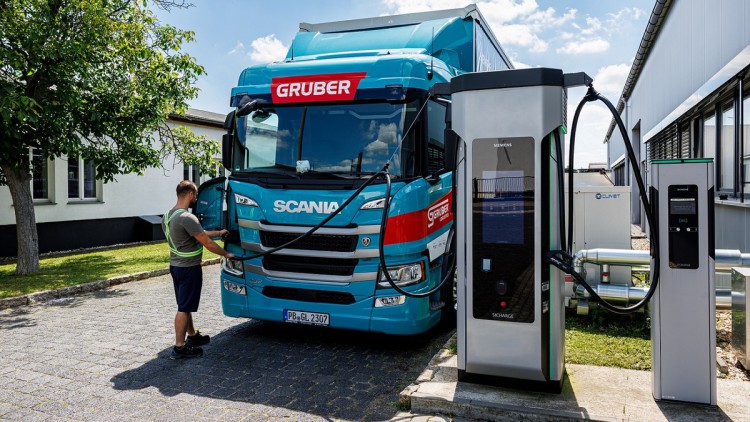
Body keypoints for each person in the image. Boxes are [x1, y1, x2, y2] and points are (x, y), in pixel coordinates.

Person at [162, 180, 234, 359]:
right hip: (189, 268)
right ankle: (179, 347)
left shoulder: (169, 215)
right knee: (183, 308)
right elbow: (207, 243)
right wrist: (227, 254)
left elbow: (196, 232)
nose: (196, 197)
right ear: (188, 194)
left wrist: (218, 233)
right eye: (195, 194)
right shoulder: (187, 217)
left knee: (184, 305)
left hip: (176, 266)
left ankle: (192, 335)